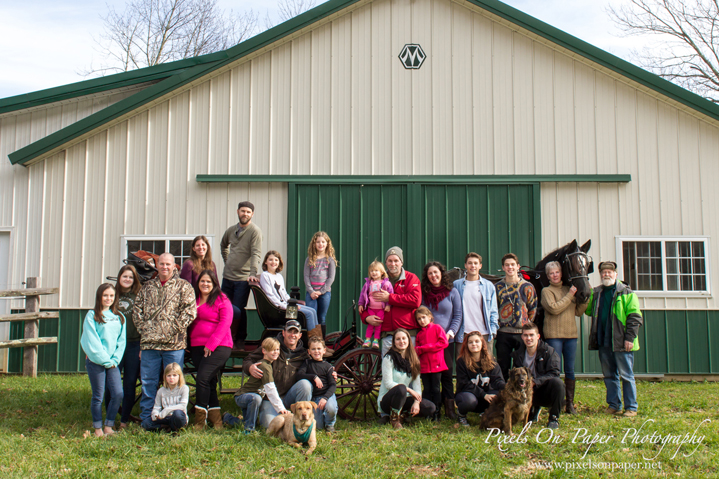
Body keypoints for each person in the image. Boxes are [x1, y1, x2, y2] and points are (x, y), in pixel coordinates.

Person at [133, 252, 197, 423]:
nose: (164, 267)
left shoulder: (184, 287)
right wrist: (147, 330)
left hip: (173, 346)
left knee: (174, 384)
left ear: (174, 266)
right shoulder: (147, 287)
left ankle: (174, 418)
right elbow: (137, 311)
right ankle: (147, 419)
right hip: (150, 346)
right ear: (157, 265)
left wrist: (170, 330)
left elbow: (190, 312)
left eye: (168, 264)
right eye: (161, 264)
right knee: (148, 383)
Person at [586, 261, 643, 417]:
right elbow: (589, 311)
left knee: (626, 375)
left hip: (621, 342)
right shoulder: (597, 293)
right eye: (604, 272)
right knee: (610, 375)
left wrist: (629, 338)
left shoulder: (627, 293)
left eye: (610, 272)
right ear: (600, 274)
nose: (606, 274)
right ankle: (614, 405)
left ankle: (631, 407)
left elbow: (635, 317)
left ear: (616, 274)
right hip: (604, 341)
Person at [241, 320, 312, 429]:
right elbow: (248, 359)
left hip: (289, 396)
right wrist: (250, 367)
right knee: (270, 426)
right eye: (289, 331)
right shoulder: (272, 347)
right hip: (269, 398)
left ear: (300, 335)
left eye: (295, 332)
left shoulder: (303, 354)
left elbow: (316, 369)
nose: (292, 335)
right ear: (283, 333)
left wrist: (330, 372)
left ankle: (300, 417)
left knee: (305, 385)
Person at [541, 261, 589, 414]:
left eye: (557, 272)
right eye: (551, 273)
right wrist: (570, 296)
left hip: (570, 336)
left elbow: (578, 311)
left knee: (570, 370)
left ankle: (570, 404)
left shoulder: (570, 289)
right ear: (548, 276)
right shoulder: (547, 291)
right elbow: (554, 309)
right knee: (555, 370)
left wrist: (585, 298)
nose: (555, 275)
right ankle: (555, 402)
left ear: (561, 273)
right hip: (554, 335)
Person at [188, 270, 233, 430]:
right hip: (196, 346)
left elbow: (225, 323)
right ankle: (217, 421)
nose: (205, 284)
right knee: (209, 381)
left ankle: (200, 422)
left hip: (219, 346)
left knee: (202, 378)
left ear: (214, 284)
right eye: (202, 281)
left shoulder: (222, 299)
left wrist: (211, 344)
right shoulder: (194, 299)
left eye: (208, 281)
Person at [80, 283, 126, 437]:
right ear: (99, 296)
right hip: (96, 362)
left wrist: (115, 359)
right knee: (98, 396)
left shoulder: (119, 317)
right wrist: (106, 360)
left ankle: (109, 426)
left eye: (111, 296)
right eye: (105, 295)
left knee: (118, 393)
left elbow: (121, 341)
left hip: (113, 363)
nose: (108, 298)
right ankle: (98, 428)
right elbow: (91, 341)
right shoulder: (92, 315)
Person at [362, 247, 422, 355]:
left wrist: (390, 298)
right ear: (385, 263)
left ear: (401, 262)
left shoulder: (411, 278)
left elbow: (415, 300)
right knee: (388, 367)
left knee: (410, 368)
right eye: (390, 261)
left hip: (408, 333)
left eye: (396, 261)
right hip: (388, 333)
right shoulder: (376, 281)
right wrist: (366, 317)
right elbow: (365, 302)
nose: (393, 264)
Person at [421, 261, 462, 419]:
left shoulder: (452, 292)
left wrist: (450, 333)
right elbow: (421, 315)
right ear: (427, 276)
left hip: (446, 341)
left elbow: (457, 315)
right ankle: (432, 408)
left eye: (436, 272)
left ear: (442, 274)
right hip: (429, 342)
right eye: (430, 273)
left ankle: (449, 408)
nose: (433, 276)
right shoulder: (424, 293)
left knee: (446, 373)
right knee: (431, 376)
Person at [220, 201, 263, 349]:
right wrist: (228, 261)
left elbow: (256, 253)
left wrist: (252, 273)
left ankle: (239, 339)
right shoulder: (231, 230)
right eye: (243, 211)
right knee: (223, 308)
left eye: (248, 212)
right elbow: (223, 245)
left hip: (242, 279)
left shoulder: (254, 231)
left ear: (252, 214)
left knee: (238, 309)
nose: (245, 214)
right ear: (237, 211)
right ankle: (224, 337)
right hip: (227, 277)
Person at [378, 328, 436, 429]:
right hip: (388, 400)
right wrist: (408, 389)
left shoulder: (413, 361)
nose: (401, 341)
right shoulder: (389, 358)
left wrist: (416, 402)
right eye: (398, 339)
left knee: (430, 407)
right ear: (394, 342)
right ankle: (394, 418)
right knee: (401, 389)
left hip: (404, 398)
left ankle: (403, 414)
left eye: (404, 338)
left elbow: (417, 387)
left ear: (408, 340)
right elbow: (388, 383)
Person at [510, 323, 564, 429]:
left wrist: (534, 382)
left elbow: (554, 373)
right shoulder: (518, 354)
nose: (528, 338)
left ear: (538, 336)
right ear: (522, 337)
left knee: (558, 384)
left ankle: (554, 418)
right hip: (525, 392)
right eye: (525, 335)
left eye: (531, 335)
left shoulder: (549, 351)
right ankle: (530, 411)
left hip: (542, 389)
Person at [231, 337, 289, 434]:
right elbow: (271, 390)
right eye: (272, 350)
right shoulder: (264, 366)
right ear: (264, 351)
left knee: (246, 421)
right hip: (244, 397)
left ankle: (228, 418)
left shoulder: (268, 364)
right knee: (256, 398)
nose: (275, 352)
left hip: (252, 398)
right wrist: (281, 409)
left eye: (277, 349)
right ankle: (249, 430)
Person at [495, 253, 538, 382]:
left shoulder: (527, 287)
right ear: (503, 267)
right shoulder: (497, 287)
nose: (510, 267)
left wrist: (526, 326)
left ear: (518, 266)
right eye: (507, 265)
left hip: (522, 334)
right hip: (503, 333)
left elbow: (533, 308)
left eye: (513, 265)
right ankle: (503, 395)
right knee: (503, 366)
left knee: (521, 368)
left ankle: (521, 397)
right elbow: (493, 308)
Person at [260, 250, 319, 333]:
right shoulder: (265, 275)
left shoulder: (279, 276)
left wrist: (292, 304)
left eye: (276, 260)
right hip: (279, 309)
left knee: (312, 311)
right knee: (308, 314)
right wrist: (286, 307)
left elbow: (284, 294)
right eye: (270, 260)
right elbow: (270, 296)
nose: (273, 262)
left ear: (279, 262)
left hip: (287, 305)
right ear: (266, 262)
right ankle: (312, 339)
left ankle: (318, 339)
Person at [454, 331, 505, 427]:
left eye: (477, 341)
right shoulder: (462, 362)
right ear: (466, 345)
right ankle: (461, 414)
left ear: (482, 344)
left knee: (501, 396)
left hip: (485, 397)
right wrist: (483, 394)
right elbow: (464, 384)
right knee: (469, 401)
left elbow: (497, 380)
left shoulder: (490, 360)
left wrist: (506, 387)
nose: (474, 344)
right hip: (469, 395)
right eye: (470, 342)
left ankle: (486, 413)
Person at [114, 265, 142, 429]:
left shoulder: (139, 295)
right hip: (115, 346)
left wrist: (141, 346)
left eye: (130, 277)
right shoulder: (112, 295)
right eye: (124, 276)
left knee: (130, 382)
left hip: (133, 344)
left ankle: (124, 420)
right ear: (119, 278)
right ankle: (110, 418)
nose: (127, 279)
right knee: (112, 383)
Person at [454, 253, 499, 355]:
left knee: (486, 366)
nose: (472, 266)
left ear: (480, 266)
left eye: (475, 263)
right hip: (463, 333)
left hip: (484, 333)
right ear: (465, 265)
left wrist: (492, 330)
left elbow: (493, 310)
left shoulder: (488, 286)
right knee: (462, 365)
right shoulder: (456, 285)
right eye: (470, 263)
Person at [414, 307, 448, 422]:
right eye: (419, 319)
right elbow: (417, 350)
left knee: (436, 388)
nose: (422, 321)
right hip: (424, 367)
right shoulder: (419, 334)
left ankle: (437, 413)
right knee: (427, 389)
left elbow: (443, 343)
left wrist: (425, 348)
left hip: (436, 365)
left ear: (429, 317)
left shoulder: (437, 328)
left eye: (423, 317)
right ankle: (428, 412)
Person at [297, 337, 338, 432]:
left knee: (331, 408)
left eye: (319, 349)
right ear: (309, 351)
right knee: (318, 426)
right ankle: (322, 417)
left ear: (324, 350)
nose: (316, 351)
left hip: (326, 396)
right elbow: (299, 375)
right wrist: (313, 377)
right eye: (313, 349)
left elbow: (333, 385)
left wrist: (325, 398)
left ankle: (330, 424)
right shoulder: (307, 363)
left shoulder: (328, 367)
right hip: (314, 398)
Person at [303, 231, 337, 334]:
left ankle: (322, 342)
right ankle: (312, 340)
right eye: (318, 242)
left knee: (321, 317)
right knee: (311, 316)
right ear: (314, 244)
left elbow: (331, 278)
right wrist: (311, 291)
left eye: (323, 242)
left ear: (327, 244)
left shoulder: (330, 260)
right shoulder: (309, 259)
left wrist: (321, 291)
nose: (320, 244)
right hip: (311, 294)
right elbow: (306, 276)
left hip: (324, 293)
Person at [141, 362, 189, 432]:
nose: (171, 378)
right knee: (146, 423)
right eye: (168, 375)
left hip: (178, 417)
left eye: (174, 375)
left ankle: (173, 427)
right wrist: (155, 414)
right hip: (166, 417)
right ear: (165, 377)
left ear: (179, 376)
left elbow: (183, 406)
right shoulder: (161, 391)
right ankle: (168, 427)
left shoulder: (184, 388)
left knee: (177, 414)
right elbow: (157, 407)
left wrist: (166, 410)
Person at [358, 260, 394, 349]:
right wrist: (361, 304)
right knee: (370, 324)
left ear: (382, 272)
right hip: (370, 308)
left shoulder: (386, 283)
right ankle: (367, 340)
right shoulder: (368, 284)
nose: (373, 273)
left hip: (381, 309)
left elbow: (391, 294)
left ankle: (376, 341)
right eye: (371, 271)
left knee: (378, 325)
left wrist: (388, 305)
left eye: (376, 270)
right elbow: (363, 294)